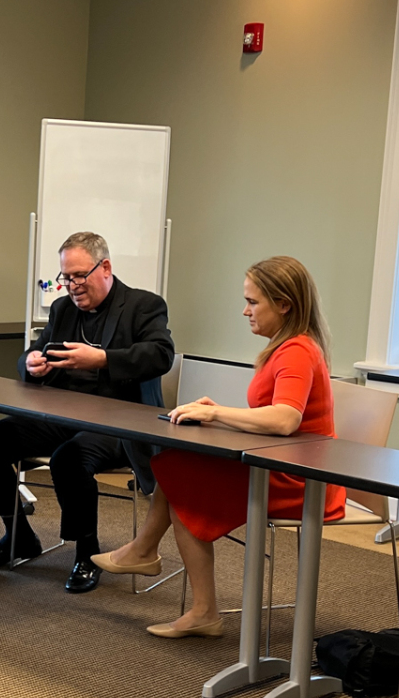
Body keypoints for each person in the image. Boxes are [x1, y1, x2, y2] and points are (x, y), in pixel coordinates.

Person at [91, 255, 346, 638]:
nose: (245, 311)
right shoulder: (286, 347)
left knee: (183, 484)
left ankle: (187, 594)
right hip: (280, 464)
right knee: (176, 465)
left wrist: (216, 414)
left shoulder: (297, 351)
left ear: (284, 305)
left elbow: (284, 420)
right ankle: (152, 560)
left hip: (300, 481)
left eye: (253, 302)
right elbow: (276, 418)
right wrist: (220, 415)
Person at [0, 231, 175, 594]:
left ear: (105, 267)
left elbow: (161, 354)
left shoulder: (143, 305)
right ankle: (18, 536)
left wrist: (103, 359)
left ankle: (86, 551)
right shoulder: (63, 308)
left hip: (119, 423)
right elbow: (33, 352)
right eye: (66, 277)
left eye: (80, 276)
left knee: (69, 459)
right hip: (61, 416)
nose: (73, 286)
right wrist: (31, 364)